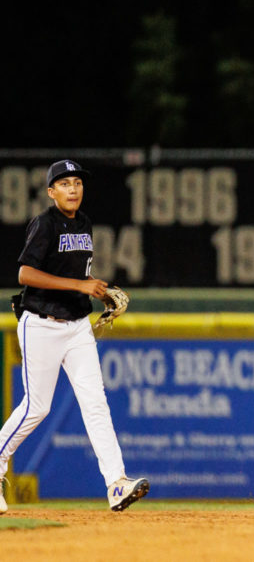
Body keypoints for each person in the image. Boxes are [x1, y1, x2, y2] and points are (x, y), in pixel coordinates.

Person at [0, 160, 149, 515]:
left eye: (77, 183)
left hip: (77, 324)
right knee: (37, 407)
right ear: (51, 192)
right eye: (64, 183)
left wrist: (94, 288)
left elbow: (72, 272)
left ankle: (117, 483)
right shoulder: (45, 223)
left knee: (95, 403)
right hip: (41, 324)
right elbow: (25, 273)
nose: (73, 188)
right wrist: (80, 285)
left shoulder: (84, 223)